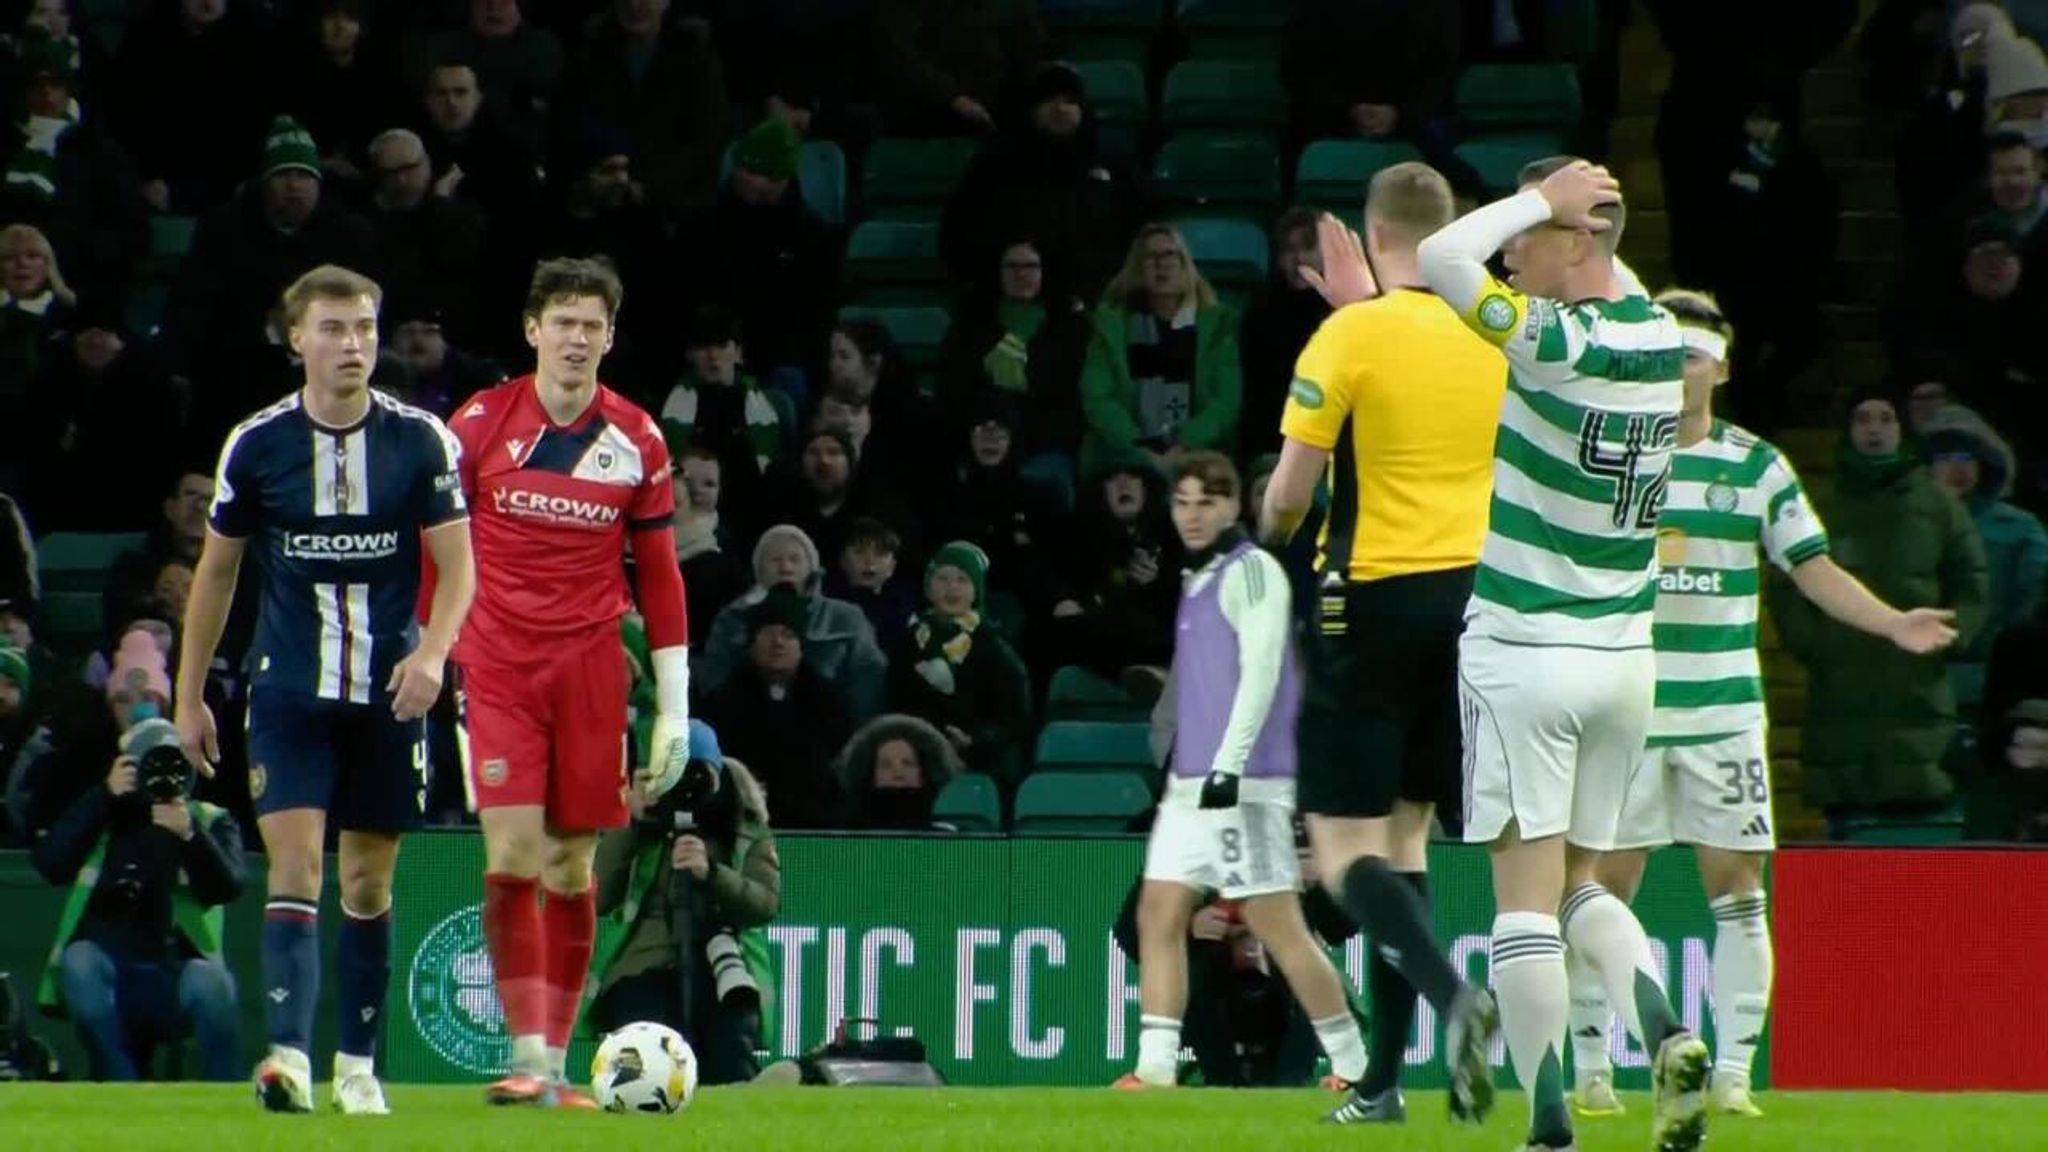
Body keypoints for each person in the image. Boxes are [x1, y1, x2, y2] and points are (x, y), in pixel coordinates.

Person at [1565, 291, 1958, 1120]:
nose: (1676, 370)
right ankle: (1592, 1067)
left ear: (1720, 370)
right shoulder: (1605, 456)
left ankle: (1734, 1073)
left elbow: (1811, 568)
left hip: (1724, 715)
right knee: (1604, 887)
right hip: (1627, 711)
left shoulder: (1756, 467)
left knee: (1739, 889)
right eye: (1664, 355)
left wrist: (1892, 621)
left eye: (1691, 357)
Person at [1415, 158, 1707, 1152]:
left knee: (1522, 905)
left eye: (1526, 238)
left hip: (1525, 651)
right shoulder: (1656, 334)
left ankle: (1546, 1122)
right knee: (1581, 885)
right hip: (1623, 659)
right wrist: (1569, 213)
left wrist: (1539, 202)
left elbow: (1437, 255)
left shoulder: (1553, 341)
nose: (1507, 255)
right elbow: (1606, 260)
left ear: (1574, 240)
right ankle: (1663, 1030)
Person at [174, 265, 476, 1115]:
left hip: (391, 692)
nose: (353, 344)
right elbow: (217, 574)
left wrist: (433, 656)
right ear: (296, 338)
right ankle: (288, 1060)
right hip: (289, 691)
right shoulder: (257, 444)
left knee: (369, 885)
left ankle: (357, 1067)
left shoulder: (421, 440)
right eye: (335, 328)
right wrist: (187, 696)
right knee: (297, 866)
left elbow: (459, 568)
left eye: (366, 328)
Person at [1258, 162, 1508, 1126]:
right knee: (1407, 839)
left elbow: (1291, 492)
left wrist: (1269, 539)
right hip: (1478, 604)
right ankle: (1382, 1086)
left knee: (1340, 850)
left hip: (1368, 599)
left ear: (1373, 236)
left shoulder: (1350, 334)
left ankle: (1455, 999)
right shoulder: (1497, 330)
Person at [440, 257, 694, 1106]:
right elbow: (436, 547)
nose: (577, 338)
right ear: (533, 330)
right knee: (513, 851)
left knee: (571, 864)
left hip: (590, 667)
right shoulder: (479, 424)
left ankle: (554, 1055)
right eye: (564, 322)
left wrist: (672, 708)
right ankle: (529, 1060)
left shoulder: (638, 440)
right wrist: (432, 650)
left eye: (592, 325)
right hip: (498, 663)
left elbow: (661, 575)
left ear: (610, 337)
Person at [1115, 452, 1370, 1099]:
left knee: (1278, 923)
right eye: (1183, 503)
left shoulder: (1251, 571)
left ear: (1233, 506)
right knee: (1158, 911)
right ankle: (1156, 1067)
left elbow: (1262, 669)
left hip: (1242, 780)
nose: (1193, 515)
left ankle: (1354, 1061)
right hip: (1192, 782)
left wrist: (1229, 765)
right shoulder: (1200, 577)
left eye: (1207, 502)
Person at [587, 720, 779, 1086]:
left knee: (729, 1056)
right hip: (643, 964)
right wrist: (628, 820)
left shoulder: (744, 827)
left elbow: (764, 904)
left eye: (695, 776)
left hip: (724, 966)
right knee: (645, 1064)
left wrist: (713, 874)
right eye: (670, 777)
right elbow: (596, 896)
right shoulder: (637, 826)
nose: (684, 790)